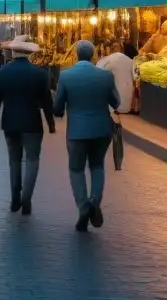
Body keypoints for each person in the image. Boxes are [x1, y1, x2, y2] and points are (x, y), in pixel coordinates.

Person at [53, 40, 120, 232]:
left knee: (76, 169)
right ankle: (94, 201)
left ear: (75, 55)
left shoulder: (66, 76)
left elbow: (58, 108)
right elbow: (116, 102)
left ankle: (83, 206)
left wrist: (57, 111)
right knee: (97, 166)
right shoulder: (106, 76)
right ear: (93, 55)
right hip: (101, 129)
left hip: (76, 131)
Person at [0, 36, 55, 214]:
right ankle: (27, 198)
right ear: (29, 53)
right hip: (33, 123)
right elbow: (47, 101)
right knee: (33, 160)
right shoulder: (40, 73)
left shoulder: (2, 72)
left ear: (13, 51)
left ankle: (15, 198)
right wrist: (51, 123)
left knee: (14, 160)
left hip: (10, 123)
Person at [97, 42, 137, 171]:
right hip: (124, 101)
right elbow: (136, 76)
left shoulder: (105, 62)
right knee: (115, 132)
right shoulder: (131, 61)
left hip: (109, 105)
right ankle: (117, 163)